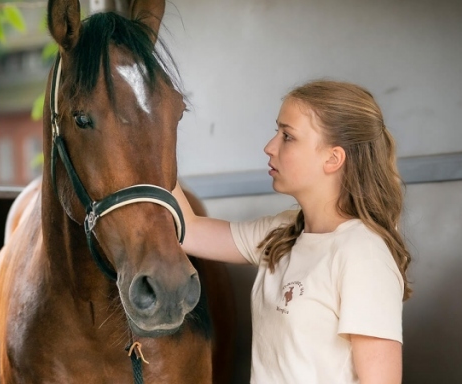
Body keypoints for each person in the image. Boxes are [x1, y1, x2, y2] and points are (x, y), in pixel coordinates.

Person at [173, 80, 411, 384]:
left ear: (333, 159)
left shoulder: (363, 254)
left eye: (288, 136)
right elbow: (189, 231)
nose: (270, 147)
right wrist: (148, 142)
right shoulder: (284, 231)